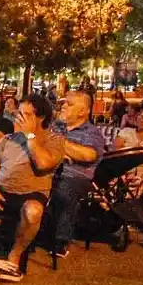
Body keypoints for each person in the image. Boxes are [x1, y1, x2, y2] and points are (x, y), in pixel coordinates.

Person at [0, 94, 66, 281]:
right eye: (18, 113)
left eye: (26, 114)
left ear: (41, 118)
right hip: (1, 190)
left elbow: (44, 164)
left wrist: (30, 136)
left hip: (31, 193)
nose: (19, 118)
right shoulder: (8, 139)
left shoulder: (55, 140)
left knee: (33, 212)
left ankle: (15, 254)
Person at [49, 91, 105, 257]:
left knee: (64, 188)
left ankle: (61, 239)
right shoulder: (55, 126)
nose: (64, 106)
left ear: (83, 111)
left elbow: (88, 155)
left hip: (75, 176)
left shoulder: (91, 132)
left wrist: (58, 143)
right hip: (48, 171)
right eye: (64, 103)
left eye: (69, 104)